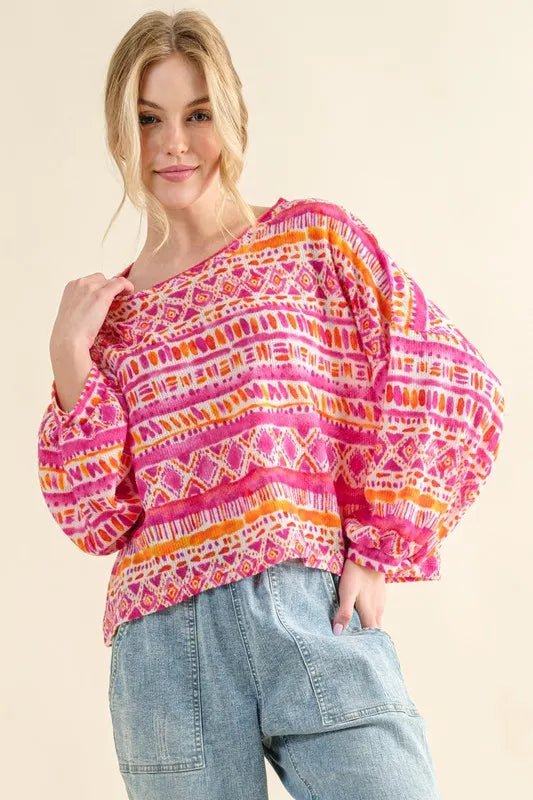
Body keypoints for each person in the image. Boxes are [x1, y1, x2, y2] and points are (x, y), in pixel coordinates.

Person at [36, 9, 505, 800]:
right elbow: (95, 521)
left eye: (197, 114)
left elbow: (452, 380)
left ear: (232, 115)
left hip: (309, 609)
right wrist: (68, 359)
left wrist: (381, 546)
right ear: (120, 133)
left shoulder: (312, 243)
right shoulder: (109, 320)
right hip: (165, 650)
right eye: (148, 119)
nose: (173, 143)